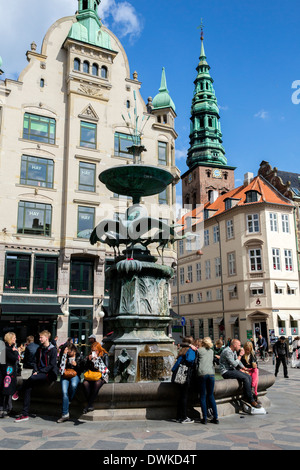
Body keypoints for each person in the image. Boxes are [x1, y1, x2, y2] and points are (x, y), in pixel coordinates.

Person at [15, 330, 58, 422]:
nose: (39, 339)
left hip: (49, 374)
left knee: (31, 378)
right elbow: (35, 362)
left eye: (41, 337)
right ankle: (25, 414)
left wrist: (39, 372)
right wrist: (36, 370)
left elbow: (52, 365)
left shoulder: (53, 349)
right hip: (40, 373)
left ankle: (18, 391)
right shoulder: (40, 349)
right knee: (28, 387)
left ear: (46, 338)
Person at [219, 339, 261, 408]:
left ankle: (246, 396)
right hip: (226, 371)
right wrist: (240, 355)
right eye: (239, 345)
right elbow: (234, 364)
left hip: (232, 370)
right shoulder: (227, 351)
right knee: (245, 378)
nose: (240, 346)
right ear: (234, 345)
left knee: (248, 376)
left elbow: (238, 362)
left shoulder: (234, 351)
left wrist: (244, 368)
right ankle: (251, 400)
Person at [171, 336, 196, 424]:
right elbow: (190, 360)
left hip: (178, 376)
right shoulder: (190, 351)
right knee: (184, 396)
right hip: (185, 376)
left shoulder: (182, 350)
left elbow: (174, 367)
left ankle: (178, 416)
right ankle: (184, 416)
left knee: (180, 396)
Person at [57, 343, 83, 423]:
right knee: (64, 392)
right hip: (65, 375)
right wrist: (64, 357)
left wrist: (76, 365)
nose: (68, 353)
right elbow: (60, 368)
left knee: (74, 385)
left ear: (74, 351)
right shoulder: (65, 356)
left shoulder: (79, 357)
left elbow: (82, 370)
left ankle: (69, 400)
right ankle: (65, 414)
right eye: (67, 351)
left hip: (75, 375)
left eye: (70, 351)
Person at [82, 340, 109, 414]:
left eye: (96, 351)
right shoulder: (90, 356)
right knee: (85, 384)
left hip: (102, 375)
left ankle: (88, 405)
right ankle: (90, 405)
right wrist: (89, 361)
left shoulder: (104, 355)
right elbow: (85, 368)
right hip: (92, 375)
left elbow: (106, 368)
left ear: (99, 350)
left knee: (97, 384)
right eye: (93, 350)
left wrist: (98, 361)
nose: (94, 352)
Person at [196, 337, 219, 425]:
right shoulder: (212, 351)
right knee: (211, 395)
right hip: (211, 374)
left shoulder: (199, 351)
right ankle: (216, 417)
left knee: (202, 396)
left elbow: (196, 362)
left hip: (202, 374)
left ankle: (205, 418)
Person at [0, 332, 19, 418]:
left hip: (6, 374)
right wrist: (16, 352)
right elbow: (14, 358)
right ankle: (4, 410)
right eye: (14, 338)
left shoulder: (5, 348)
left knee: (7, 392)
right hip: (7, 374)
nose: (15, 339)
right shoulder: (7, 349)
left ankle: (7, 408)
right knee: (6, 392)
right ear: (10, 339)